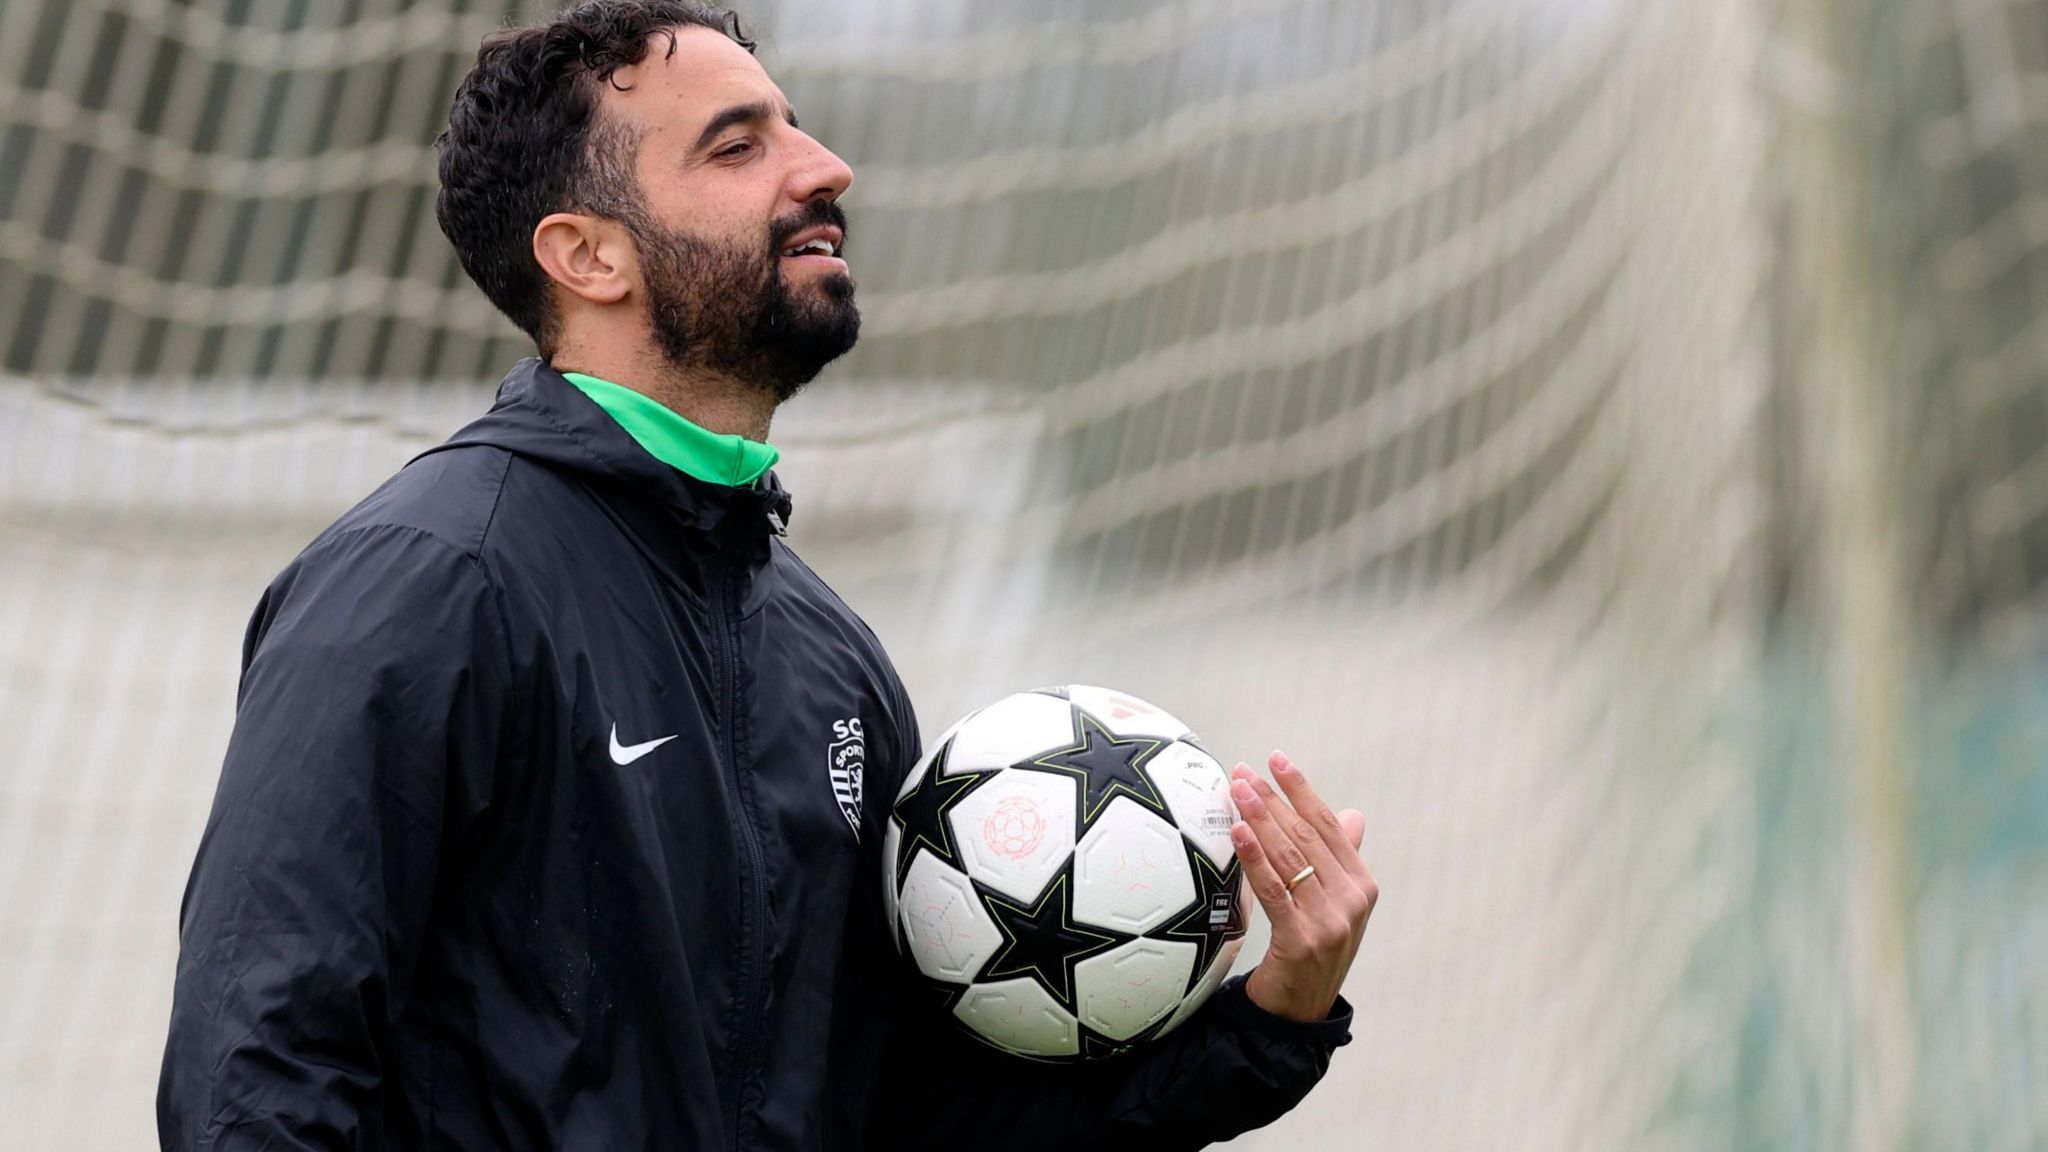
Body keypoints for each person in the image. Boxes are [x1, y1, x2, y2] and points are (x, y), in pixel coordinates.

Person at [156, 3, 1381, 1148]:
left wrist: (1266, 1022)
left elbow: (912, 1113)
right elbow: (256, 1074)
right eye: (739, 147)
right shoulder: (427, 579)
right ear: (587, 256)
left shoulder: (823, 651)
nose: (823, 166)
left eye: (795, 127)